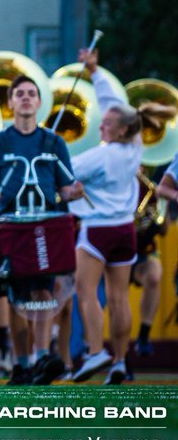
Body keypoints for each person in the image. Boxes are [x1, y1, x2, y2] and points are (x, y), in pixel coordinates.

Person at [0, 73, 84, 386]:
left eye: (31, 94)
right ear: (11, 102)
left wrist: (73, 192)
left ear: (39, 103)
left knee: (44, 292)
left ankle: (43, 356)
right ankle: (21, 362)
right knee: (15, 296)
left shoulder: (54, 142)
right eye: (20, 94)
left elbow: (66, 187)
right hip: (11, 226)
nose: (26, 98)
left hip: (47, 224)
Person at [68, 49, 175, 384]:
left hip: (97, 231)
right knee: (118, 298)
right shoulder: (136, 145)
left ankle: (96, 351)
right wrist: (96, 72)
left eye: (107, 123)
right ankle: (119, 360)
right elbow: (115, 103)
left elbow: (63, 172)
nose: (101, 123)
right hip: (125, 230)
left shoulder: (97, 158)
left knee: (85, 293)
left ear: (119, 129)